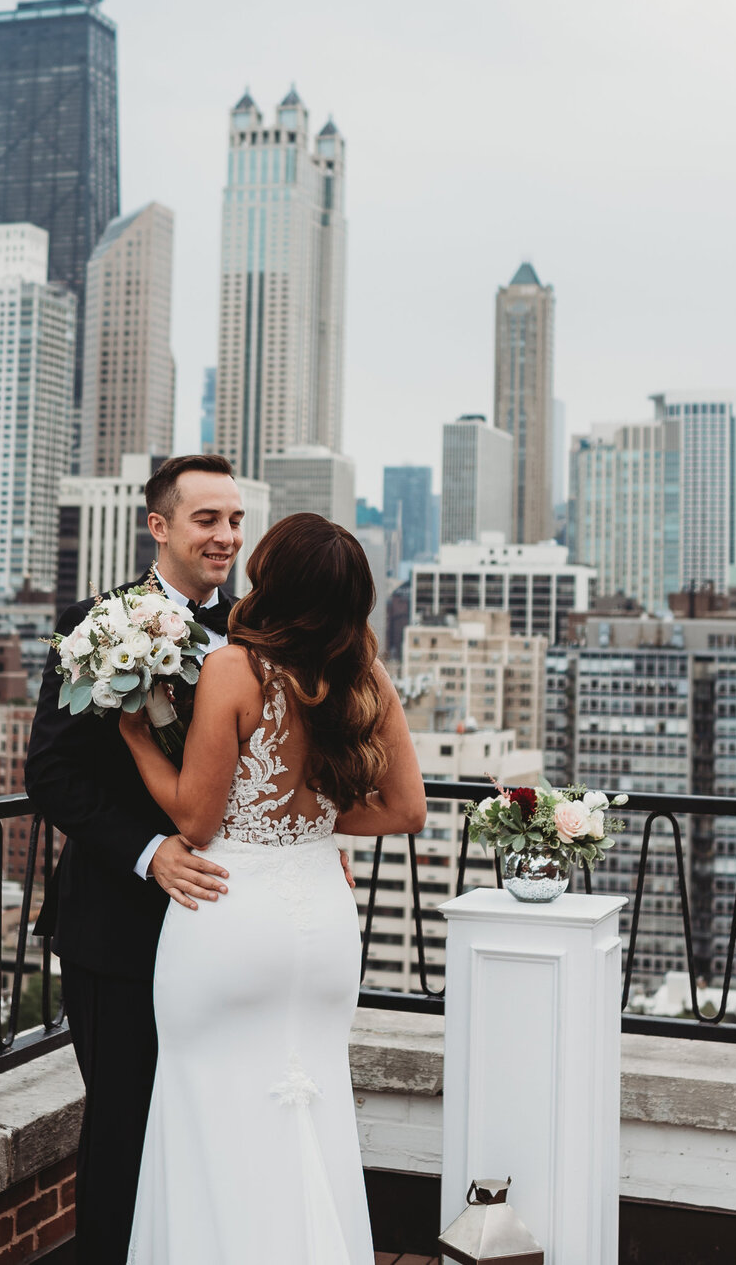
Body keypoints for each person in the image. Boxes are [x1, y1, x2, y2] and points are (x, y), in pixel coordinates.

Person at [115, 511, 426, 1264]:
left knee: (207, 1110)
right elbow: (405, 809)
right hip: (320, 921)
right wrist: (309, 822)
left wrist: (131, 734)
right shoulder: (366, 677)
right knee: (308, 1113)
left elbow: (195, 813)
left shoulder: (234, 668)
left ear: (272, 576)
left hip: (230, 910)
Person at [25, 454, 247, 1265]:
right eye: (207, 519)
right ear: (159, 526)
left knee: (209, 1120)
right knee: (125, 1125)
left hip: (228, 926)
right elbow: (48, 773)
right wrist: (149, 851)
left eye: (235, 520)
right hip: (116, 930)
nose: (225, 536)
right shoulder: (94, 622)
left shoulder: (257, 631)